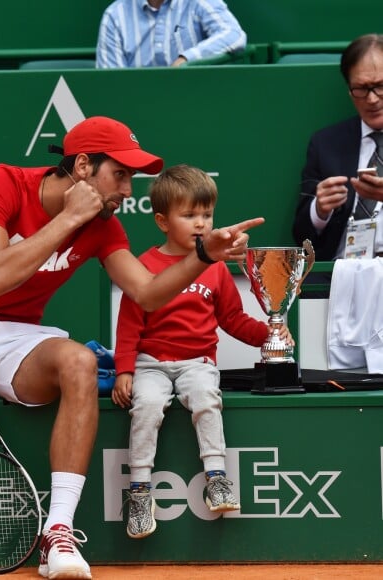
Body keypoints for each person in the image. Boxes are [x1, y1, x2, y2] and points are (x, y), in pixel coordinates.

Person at [0, 115, 263, 580]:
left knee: (80, 362)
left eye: (131, 178)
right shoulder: (0, 183)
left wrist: (201, 257)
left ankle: (58, 531)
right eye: (120, 175)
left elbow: (147, 293)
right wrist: (69, 218)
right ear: (83, 166)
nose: (128, 190)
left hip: (20, 339)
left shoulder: (103, 227)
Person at [112, 165, 292, 539]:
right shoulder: (143, 266)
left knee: (207, 399)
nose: (201, 223)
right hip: (151, 365)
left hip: (198, 364)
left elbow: (232, 318)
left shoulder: (216, 270)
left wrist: (268, 334)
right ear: (162, 221)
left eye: (207, 214)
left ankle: (217, 480)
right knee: (145, 406)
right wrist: (124, 370)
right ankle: (140, 493)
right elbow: (129, 325)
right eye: (189, 215)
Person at [292, 34, 383, 262]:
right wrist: (319, 211)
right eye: (361, 89)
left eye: (380, 86)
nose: (372, 99)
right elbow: (302, 236)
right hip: (339, 275)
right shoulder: (327, 143)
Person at [96, 0, 247, 69]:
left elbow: (234, 35)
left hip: (196, 99)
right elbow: (111, 80)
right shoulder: (115, 14)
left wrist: (186, 59)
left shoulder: (199, 2)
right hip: (138, 105)